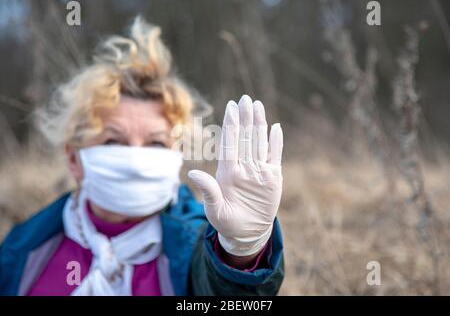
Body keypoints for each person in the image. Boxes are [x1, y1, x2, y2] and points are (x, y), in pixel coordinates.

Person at [0, 17, 284, 296]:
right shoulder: (24, 248)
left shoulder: (197, 243)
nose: (136, 159)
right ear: (74, 159)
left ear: (179, 155)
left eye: (157, 144)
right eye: (113, 140)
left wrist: (242, 249)